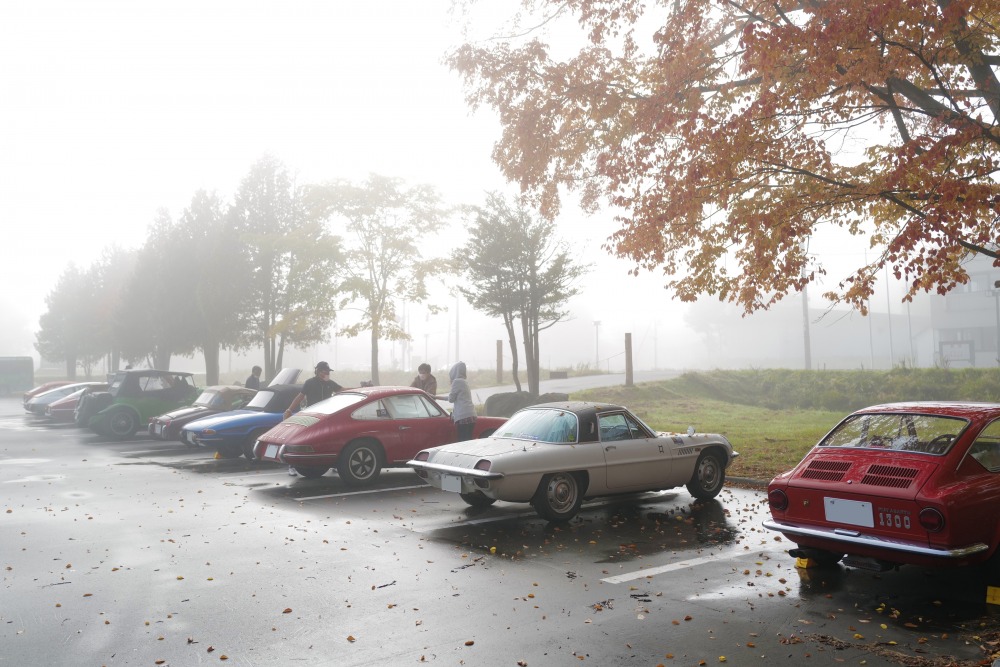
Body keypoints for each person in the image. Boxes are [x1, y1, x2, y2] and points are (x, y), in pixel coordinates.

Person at [446, 361, 476, 441]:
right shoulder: (464, 381)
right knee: (468, 440)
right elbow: (453, 397)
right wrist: (436, 397)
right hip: (471, 415)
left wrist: (452, 385)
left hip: (463, 417)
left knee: (462, 441)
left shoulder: (456, 382)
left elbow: (451, 399)